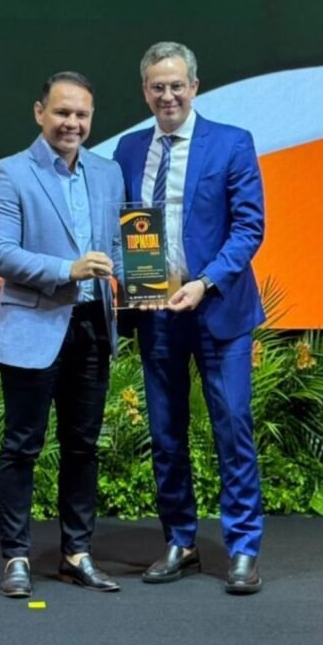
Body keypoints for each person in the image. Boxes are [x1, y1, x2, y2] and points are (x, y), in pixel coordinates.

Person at [114, 42, 266, 594]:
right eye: (158, 86)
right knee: (165, 435)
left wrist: (204, 283)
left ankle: (243, 548)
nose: (168, 95)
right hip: (157, 314)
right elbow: (123, 227)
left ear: (195, 86)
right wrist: (126, 276)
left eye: (176, 85)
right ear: (145, 91)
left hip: (219, 310)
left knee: (233, 427)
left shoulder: (232, 142)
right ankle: (180, 540)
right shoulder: (129, 149)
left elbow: (249, 227)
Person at [0, 71, 125, 598]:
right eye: (62, 112)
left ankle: (76, 554)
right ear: (39, 112)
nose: (72, 123)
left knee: (83, 447)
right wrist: (68, 269)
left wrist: (154, 281)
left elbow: (120, 250)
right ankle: (16, 558)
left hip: (92, 327)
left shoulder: (108, 173)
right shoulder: (10, 172)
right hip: (32, 328)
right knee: (22, 446)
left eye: (81, 114)